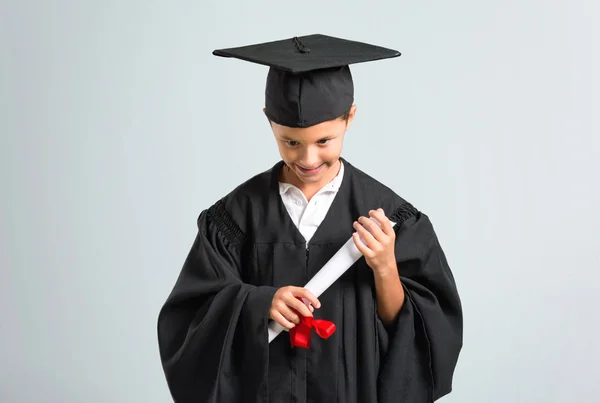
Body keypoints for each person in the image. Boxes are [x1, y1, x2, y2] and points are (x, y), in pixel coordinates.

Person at [157, 34, 463, 403]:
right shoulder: (234, 218)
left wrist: (384, 267)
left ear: (349, 117)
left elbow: (418, 336)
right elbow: (191, 321)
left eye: (324, 141)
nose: (308, 159)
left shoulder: (391, 217)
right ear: (269, 122)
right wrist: (258, 304)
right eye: (290, 142)